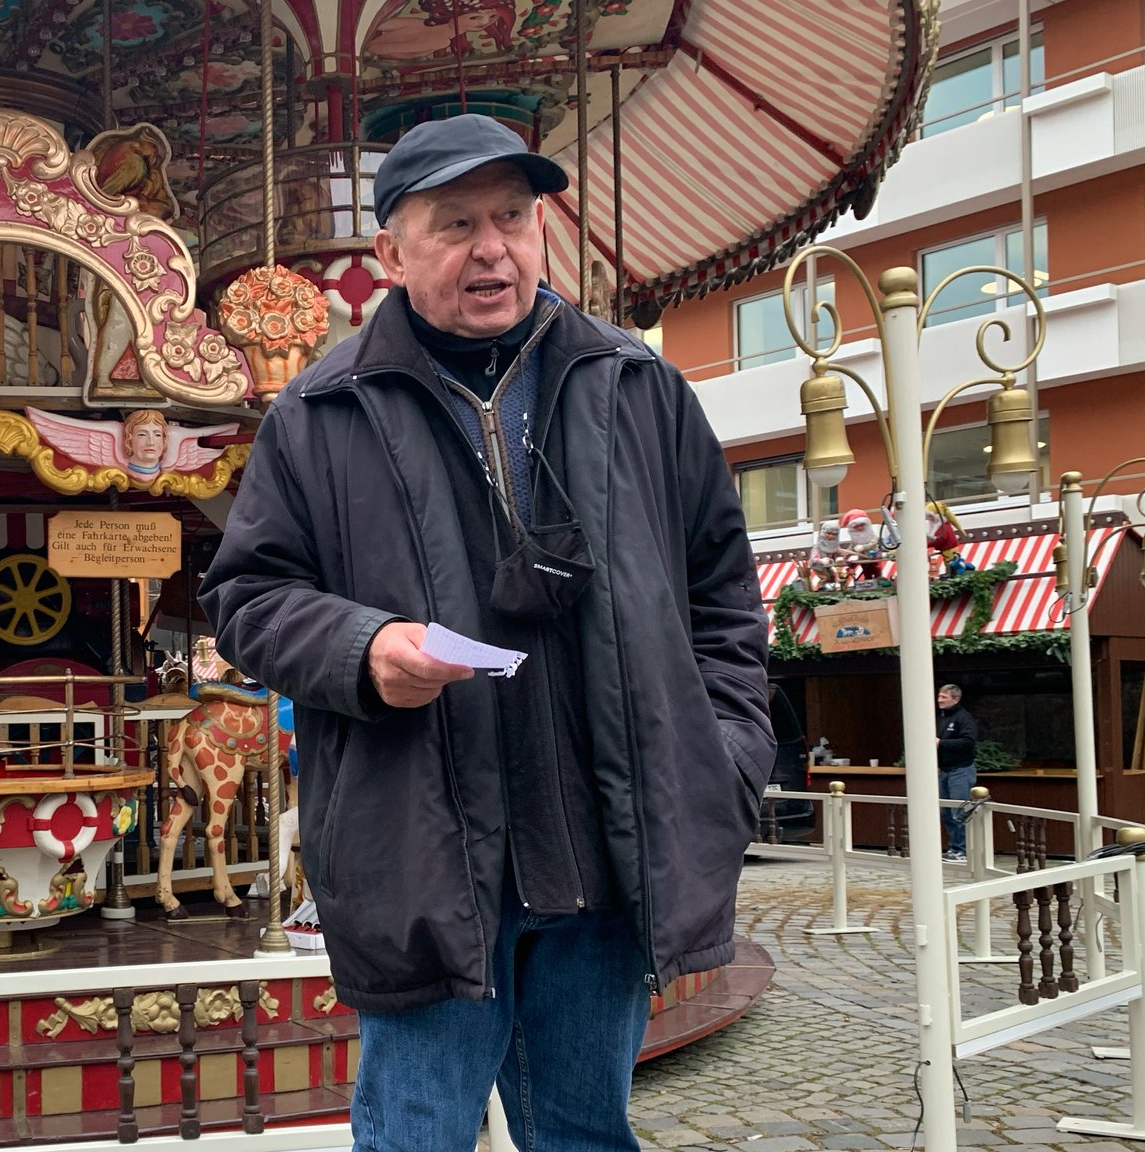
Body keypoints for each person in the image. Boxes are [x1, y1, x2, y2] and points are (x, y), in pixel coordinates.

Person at [198, 114, 772, 1152]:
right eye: (453, 223)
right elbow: (246, 597)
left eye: (511, 216)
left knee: (584, 1135)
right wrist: (361, 648)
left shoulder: (637, 388)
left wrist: (724, 758)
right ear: (387, 254)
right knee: (416, 1136)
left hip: (602, 847)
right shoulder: (320, 414)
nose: (491, 247)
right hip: (422, 851)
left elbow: (721, 597)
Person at [938, 684, 980, 861]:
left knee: (958, 811)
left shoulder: (964, 718)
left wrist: (941, 743)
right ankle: (954, 848)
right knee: (945, 812)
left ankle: (962, 849)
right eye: (939, 696)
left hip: (960, 770)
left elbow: (968, 742)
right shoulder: (940, 718)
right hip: (944, 770)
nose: (939, 700)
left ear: (955, 699)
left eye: (944, 697)